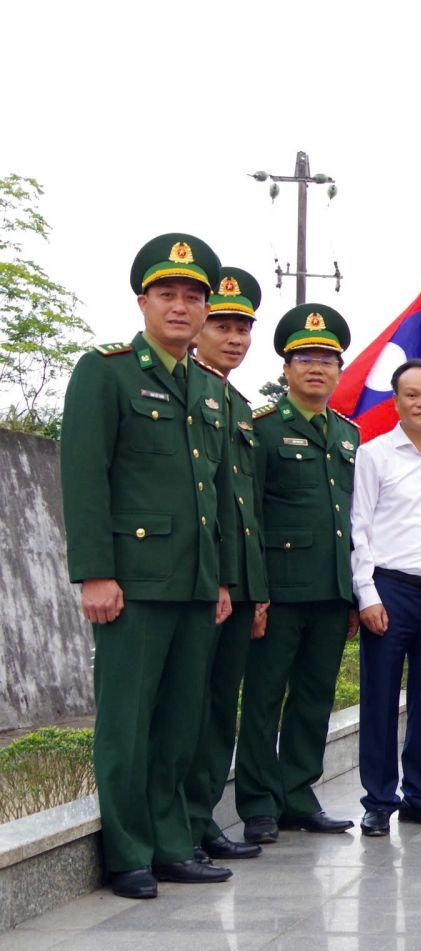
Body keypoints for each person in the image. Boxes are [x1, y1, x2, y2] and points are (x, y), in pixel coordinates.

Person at [60, 233, 237, 898]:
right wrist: (94, 572)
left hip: (195, 583)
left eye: (193, 296)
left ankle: (170, 843)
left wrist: (222, 579)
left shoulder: (210, 389)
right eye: (167, 293)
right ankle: (128, 852)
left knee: (181, 724)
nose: (181, 306)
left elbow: (217, 494)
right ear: (143, 301)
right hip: (132, 581)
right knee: (128, 722)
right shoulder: (105, 371)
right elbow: (85, 477)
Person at [235, 304, 361, 843]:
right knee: (264, 698)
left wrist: (353, 594)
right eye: (305, 358)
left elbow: (352, 519)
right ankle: (258, 802)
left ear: (339, 371)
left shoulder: (349, 435)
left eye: (327, 360)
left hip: (331, 591)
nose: (316, 368)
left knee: (314, 697)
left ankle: (298, 795)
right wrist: (256, 592)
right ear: (286, 368)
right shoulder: (261, 429)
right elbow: (249, 515)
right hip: (279, 591)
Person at [351, 359, 421, 837]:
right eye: (412, 395)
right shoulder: (374, 455)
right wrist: (367, 594)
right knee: (379, 699)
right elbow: (359, 528)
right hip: (389, 590)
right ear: (396, 401)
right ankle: (379, 800)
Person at [182, 266, 269, 865]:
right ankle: (180, 824)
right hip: (201, 581)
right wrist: (215, 579)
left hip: (238, 584)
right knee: (187, 707)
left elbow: (245, 508)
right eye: (222, 326)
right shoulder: (186, 389)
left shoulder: (237, 404)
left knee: (219, 708)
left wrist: (254, 590)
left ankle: (203, 816)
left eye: (243, 329)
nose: (235, 338)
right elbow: (200, 504)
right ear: (198, 329)